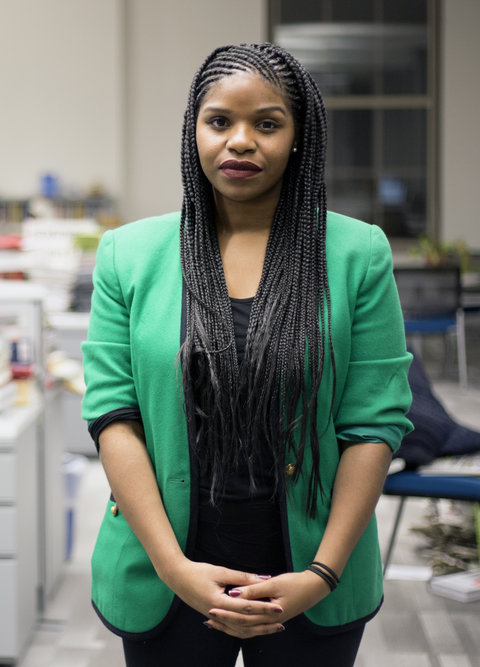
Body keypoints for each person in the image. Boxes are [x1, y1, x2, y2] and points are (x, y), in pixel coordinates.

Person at [81, 42, 413, 667]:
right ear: (194, 131)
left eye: (266, 123)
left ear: (298, 136)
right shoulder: (128, 254)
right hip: (168, 566)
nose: (240, 141)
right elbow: (112, 416)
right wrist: (175, 569)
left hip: (311, 566)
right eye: (219, 121)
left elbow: (374, 424)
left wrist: (320, 574)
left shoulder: (356, 252)